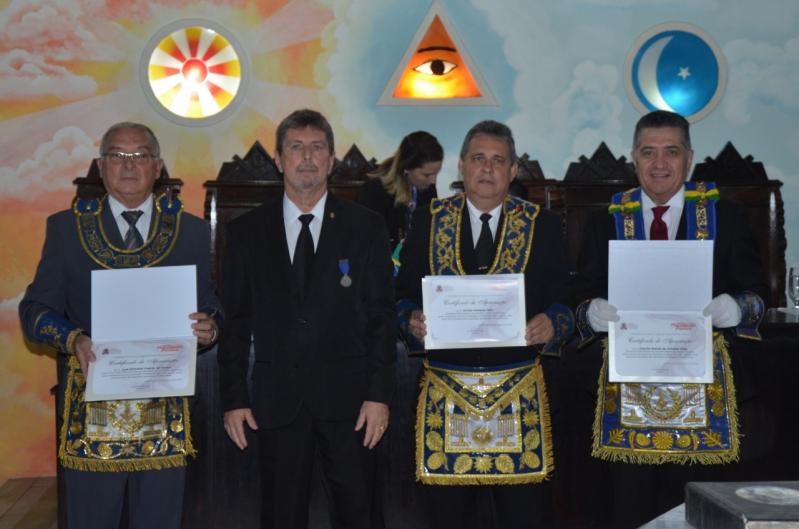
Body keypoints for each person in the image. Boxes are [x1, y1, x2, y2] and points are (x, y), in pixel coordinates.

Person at [18, 122, 222, 529]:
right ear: (100, 165)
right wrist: (73, 339)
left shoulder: (191, 231)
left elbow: (210, 306)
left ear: (158, 166)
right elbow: (35, 311)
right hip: (92, 411)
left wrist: (210, 327)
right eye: (117, 155)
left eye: (140, 155)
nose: (129, 165)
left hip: (164, 411)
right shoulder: (68, 229)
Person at [573, 110, 767, 528]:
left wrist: (736, 307)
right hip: (627, 395)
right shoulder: (606, 219)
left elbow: (758, 295)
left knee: (695, 509)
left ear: (689, 158)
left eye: (671, 151)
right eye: (648, 152)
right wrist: (591, 310)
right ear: (633, 158)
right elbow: (579, 294)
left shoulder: (726, 217)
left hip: (705, 394)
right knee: (627, 507)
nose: (659, 163)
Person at [218, 109, 396, 529]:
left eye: (318, 148)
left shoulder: (366, 227)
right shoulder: (246, 232)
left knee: (359, 514)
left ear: (332, 160)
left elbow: (381, 317)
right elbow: (236, 323)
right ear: (278, 159)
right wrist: (233, 399)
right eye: (296, 148)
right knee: (281, 516)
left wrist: (380, 394)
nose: (307, 158)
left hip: (353, 403)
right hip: (276, 404)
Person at [395, 120, 574, 529]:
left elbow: (567, 299)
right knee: (447, 517)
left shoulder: (541, 223)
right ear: (461, 166)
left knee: (522, 516)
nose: (488, 169)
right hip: (446, 392)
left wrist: (552, 322)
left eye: (499, 160)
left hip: (518, 393)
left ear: (513, 170)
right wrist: (411, 318)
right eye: (479, 159)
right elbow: (400, 294)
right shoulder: (428, 220)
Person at [357, 130, 443, 250]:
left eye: (436, 174)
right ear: (407, 167)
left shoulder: (428, 189)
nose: (433, 181)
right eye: (427, 175)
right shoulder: (374, 191)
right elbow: (367, 244)